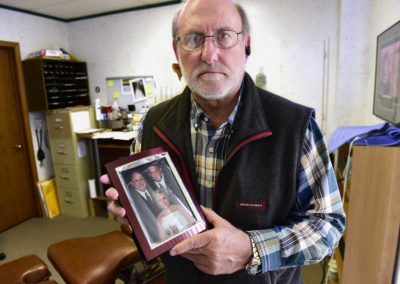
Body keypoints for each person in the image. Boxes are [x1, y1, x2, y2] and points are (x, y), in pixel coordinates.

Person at [103, 0, 346, 283]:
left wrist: (251, 250)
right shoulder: (152, 123)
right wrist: (135, 214)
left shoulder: (295, 126)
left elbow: (328, 225)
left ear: (246, 45)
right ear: (177, 51)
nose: (209, 54)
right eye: (193, 38)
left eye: (224, 36)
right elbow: (149, 215)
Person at [126, 170, 162, 243]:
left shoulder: (154, 190)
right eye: (136, 180)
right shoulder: (132, 201)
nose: (140, 182)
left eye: (141, 178)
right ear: (132, 184)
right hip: (154, 235)